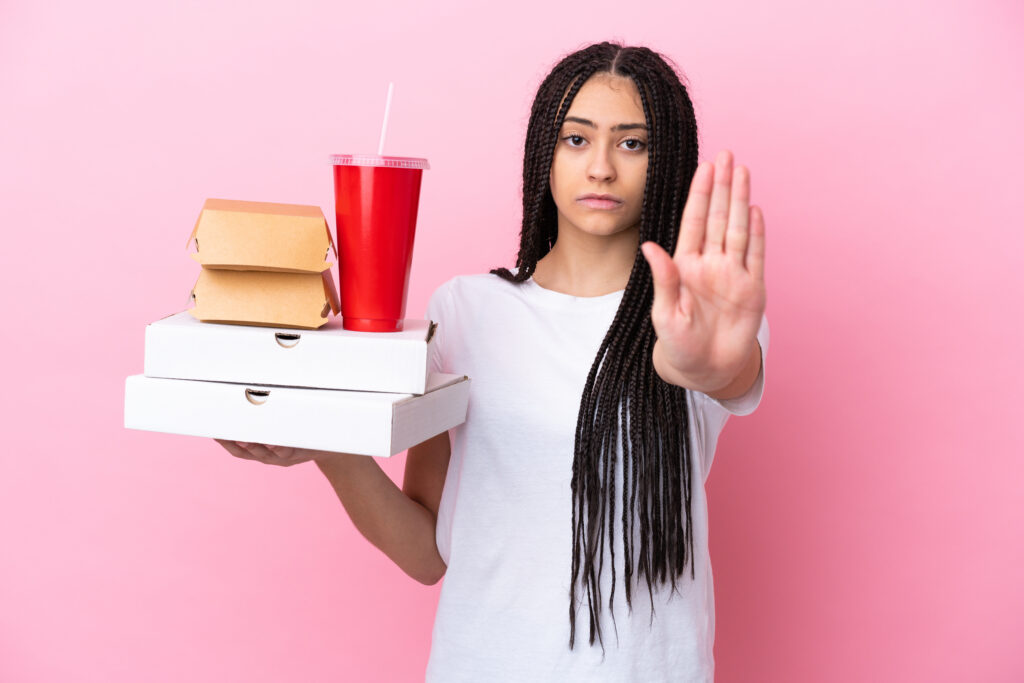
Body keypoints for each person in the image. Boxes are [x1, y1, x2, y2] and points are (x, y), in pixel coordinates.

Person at [217, 40, 768, 682]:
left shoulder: (702, 316)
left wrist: (705, 364)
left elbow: (725, 372)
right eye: (576, 139)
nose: (600, 169)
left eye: (632, 143)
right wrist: (333, 450)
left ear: (667, 160)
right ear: (544, 152)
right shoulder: (465, 311)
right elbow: (429, 554)